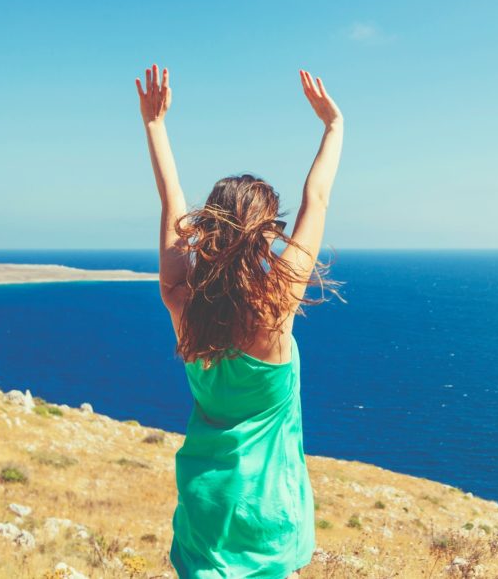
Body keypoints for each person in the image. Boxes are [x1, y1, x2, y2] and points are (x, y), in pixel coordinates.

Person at [136, 63, 346, 577]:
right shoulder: (277, 309)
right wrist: (333, 126)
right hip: (269, 521)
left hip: (206, 515)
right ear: (265, 233)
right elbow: (316, 199)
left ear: (207, 228)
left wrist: (155, 125)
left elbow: (171, 201)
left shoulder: (183, 305)